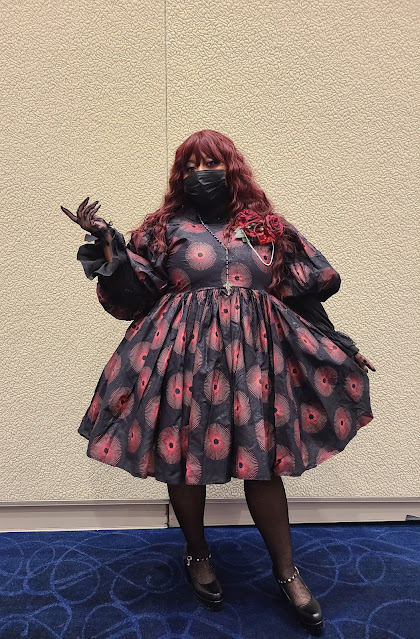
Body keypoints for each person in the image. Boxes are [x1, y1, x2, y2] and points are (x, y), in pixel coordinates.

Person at [61, 129, 375, 635]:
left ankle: (287, 572)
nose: (199, 174)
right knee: (184, 457)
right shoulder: (164, 228)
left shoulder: (267, 228)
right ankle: (197, 552)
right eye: (189, 166)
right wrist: (109, 245)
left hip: (255, 360)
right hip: (183, 357)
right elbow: (135, 294)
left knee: (262, 463)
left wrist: (340, 341)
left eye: (209, 163)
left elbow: (299, 293)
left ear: (231, 168)